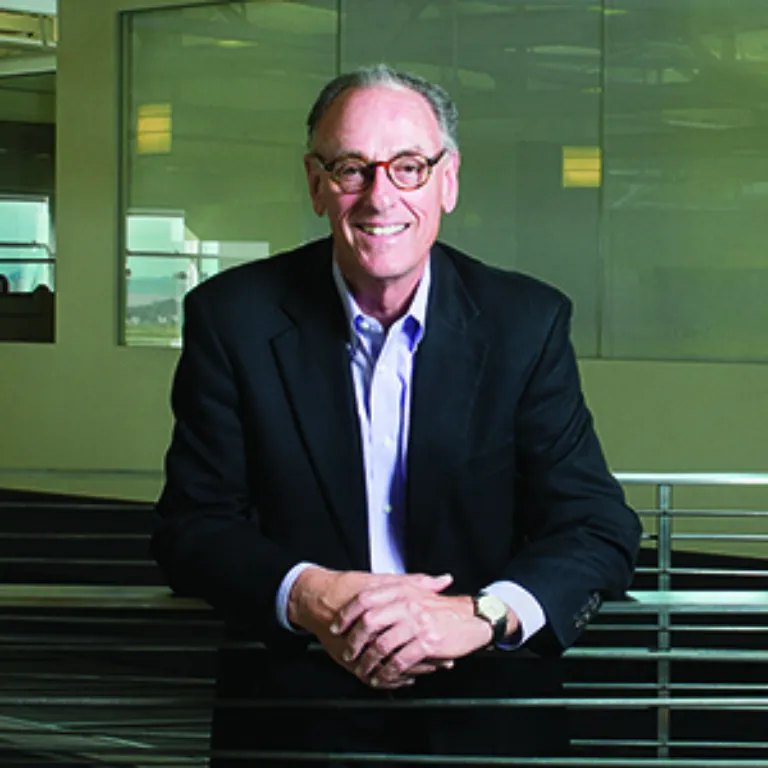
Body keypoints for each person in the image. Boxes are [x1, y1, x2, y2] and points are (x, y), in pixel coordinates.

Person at [152, 64, 642, 766]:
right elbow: (192, 527)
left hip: (488, 720)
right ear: (317, 183)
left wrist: (481, 615)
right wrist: (316, 596)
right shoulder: (232, 318)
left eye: (409, 166)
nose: (380, 197)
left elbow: (597, 525)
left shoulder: (525, 322)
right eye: (352, 168)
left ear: (449, 180)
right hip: (295, 722)